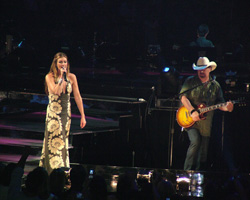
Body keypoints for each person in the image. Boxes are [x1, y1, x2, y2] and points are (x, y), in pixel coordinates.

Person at [179, 57, 234, 170]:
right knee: (195, 141)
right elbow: (183, 98)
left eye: (204, 69)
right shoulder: (190, 81)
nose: (201, 71)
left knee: (203, 153)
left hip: (206, 124)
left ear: (209, 69)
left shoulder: (215, 86)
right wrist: (192, 111)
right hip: (190, 119)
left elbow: (220, 103)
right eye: (199, 69)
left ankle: (199, 176)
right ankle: (186, 172)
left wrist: (228, 108)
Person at [39, 52, 87, 174]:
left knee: (63, 141)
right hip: (53, 115)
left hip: (66, 114)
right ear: (55, 64)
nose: (63, 64)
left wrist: (83, 115)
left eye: (65, 62)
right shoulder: (49, 77)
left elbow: (77, 96)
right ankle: (51, 170)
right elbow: (55, 91)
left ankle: (61, 171)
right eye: (60, 62)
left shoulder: (72, 77)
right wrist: (61, 78)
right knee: (54, 140)